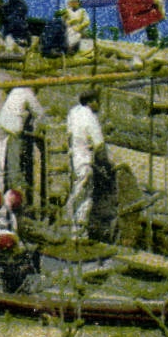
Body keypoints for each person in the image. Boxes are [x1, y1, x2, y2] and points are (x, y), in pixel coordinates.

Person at [65, 91, 105, 238]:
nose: (99, 105)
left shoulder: (73, 112)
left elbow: (69, 134)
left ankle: (76, 230)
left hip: (74, 158)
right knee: (84, 196)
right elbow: (99, 144)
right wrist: (105, 162)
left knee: (78, 191)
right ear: (91, 101)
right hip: (85, 160)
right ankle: (76, 229)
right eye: (97, 101)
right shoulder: (90, 117)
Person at [0, 85, 46, 197]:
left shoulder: (16, 91)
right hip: (14, 127)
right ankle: (16, 187)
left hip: (3, 125)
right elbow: (39, 113)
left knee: (8, 158)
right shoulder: (28, 93)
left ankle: (9, 186)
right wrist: (38, 129)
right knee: (15, 159)